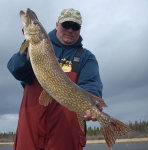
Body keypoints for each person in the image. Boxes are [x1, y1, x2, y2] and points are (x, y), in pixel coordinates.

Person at [7, 8, 103, 150]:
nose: (70, 30)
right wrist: (27, 44)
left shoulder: (86, 58)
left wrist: (92, 104)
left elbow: (90, 85)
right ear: (57, 25)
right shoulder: (37, 47)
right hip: (30, 131)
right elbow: (16, 70)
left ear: (80, 30)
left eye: (75, 26)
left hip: (64, 136)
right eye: (66, 25)